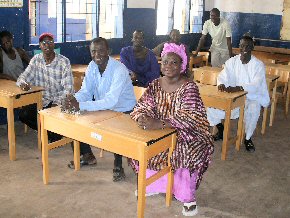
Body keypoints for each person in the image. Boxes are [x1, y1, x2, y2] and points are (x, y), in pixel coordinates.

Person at [130, 43, 214, 216]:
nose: (168, 66)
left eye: (173, 62)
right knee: (140, 145)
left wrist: (159, 123)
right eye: (165, 61)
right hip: (160, 131)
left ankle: (187, 197)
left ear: (182, 66)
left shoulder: (189, 87)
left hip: (189, 134)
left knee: (181, 152)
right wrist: (142, 117)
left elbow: (189, 117)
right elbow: (143, 105)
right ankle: (153, 185)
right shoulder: (155, 85)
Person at [62, 37, 136, 182]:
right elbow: (86, 92)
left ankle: (118, 165)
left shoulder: (119, 69)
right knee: (75, 119)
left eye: (101, 50)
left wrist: (81, 105)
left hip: (124, 110)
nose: (97, 54)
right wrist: (74, 100)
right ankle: (87, 155)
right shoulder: (91, 66)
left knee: (115, 130)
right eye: (93, 51)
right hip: (105, 108)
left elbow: (111, 101)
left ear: (108, 51)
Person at [207, 35, 270, 152]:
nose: (244, 48)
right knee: (210, 105)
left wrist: (239, 88)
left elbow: (256, 85)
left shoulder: (258, 65)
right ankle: (221, 130)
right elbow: (223, 76)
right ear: (239, 47)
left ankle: (247, 138)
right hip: (233, 96)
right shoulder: (232, 62)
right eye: (242, 45)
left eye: (248, 46)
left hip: (251, 97)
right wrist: (221, 83)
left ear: (252, 47)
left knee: (253, 109)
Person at [16, 32, 74, 142]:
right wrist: (23, 84)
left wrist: (58, 102)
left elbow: (68, 89)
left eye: (50, 42)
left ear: (54, 44)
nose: (47, 45)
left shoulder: (64, 62)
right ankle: (47, 132)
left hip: (58, 100)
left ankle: (53, 133)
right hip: (41, 100)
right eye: (44, 42)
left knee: (53, 120)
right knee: (23, 115)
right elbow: (23, 77)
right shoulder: (36, 60)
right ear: (40, 45)